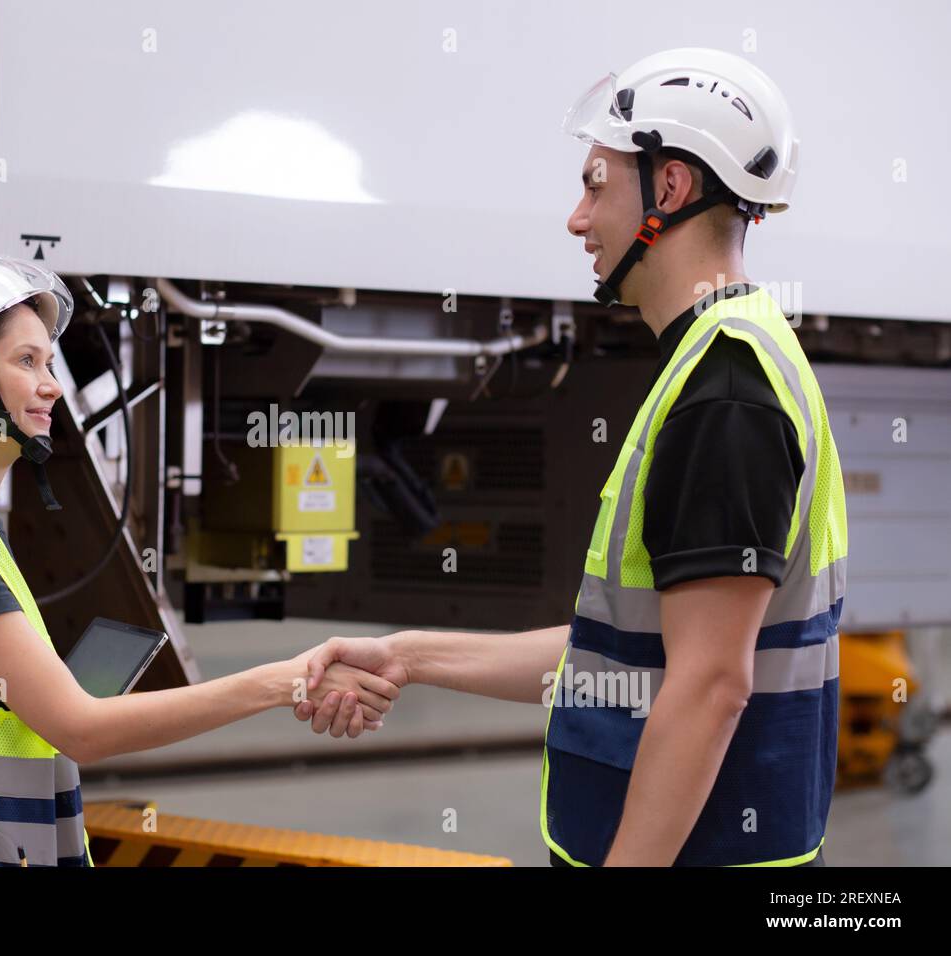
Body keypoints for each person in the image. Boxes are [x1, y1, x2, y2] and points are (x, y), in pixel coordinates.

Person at [296, 48, 847, 868]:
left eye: (596, 184)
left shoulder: (726, 395)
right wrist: (406, 657)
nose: (577, 218)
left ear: (669, 190)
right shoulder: (722, 360)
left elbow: (709, 686)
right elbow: (620, 658)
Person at [0, 255, 398, 866]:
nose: (51, 385)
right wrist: (283, 682)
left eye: (48, 363)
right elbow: (82, 730)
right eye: (27, 361)